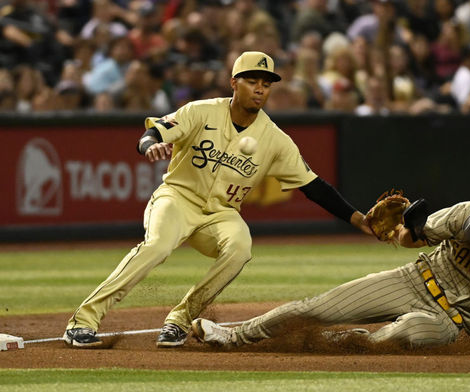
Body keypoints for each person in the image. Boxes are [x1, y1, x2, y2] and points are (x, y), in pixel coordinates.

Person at [63, 51, 371, 348]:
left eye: (266, 83)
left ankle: (180, 321)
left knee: (240, 248)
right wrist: (148, 146)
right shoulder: (200, 111)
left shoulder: (275, 139)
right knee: (156, 246)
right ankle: (83, 322)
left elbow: (314, 186)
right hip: (177, 198)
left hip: (221, 213)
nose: (260, 89)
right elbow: (154, 133)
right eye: (252, 81)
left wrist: (358, 219)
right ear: (234, 83)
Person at [192, 188, 470, 355]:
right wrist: (402, 232)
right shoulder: (467, 214)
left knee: (392, 339)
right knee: (317, 307)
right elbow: (416, 238)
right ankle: (234, 336)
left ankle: (353, 340)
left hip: (448, 321)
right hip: (413, 280)